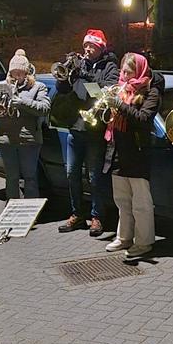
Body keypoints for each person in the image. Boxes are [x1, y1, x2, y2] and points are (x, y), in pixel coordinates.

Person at [54, 28, 120, 236]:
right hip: (76, 127)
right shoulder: (78, 64)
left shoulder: (110, 66)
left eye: (92, 46)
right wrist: (64, 77)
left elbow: (109, 89)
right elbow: (62, 90)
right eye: (86, 46)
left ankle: (97, 216)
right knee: (71, 173)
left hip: (95, 129)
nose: (88, 49)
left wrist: (87, 75)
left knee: (94, 177)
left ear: (100, 48)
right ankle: (77, 214)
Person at [102, 52, 162, 260]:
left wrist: (120, 105)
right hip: (118, 150)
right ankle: (124, 237)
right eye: (123, 71)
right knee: (122, 200)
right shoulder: (120, 90)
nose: (124, 75)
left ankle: (144, 242)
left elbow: (143, 119)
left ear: (139, 71)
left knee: (141, 203)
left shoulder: (150, 93)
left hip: (137, 152)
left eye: (129, 72)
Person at [0, 49, 51, 199]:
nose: (17, 76)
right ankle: (11, 210)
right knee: (11, 177)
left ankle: (31, 212)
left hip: (29, 139)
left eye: (21, 72)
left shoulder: (38, 87)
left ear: (27, 72)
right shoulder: (2, 85)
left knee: (30, 178)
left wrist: (23, 103)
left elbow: (44, 108)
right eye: (14, 73)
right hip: (7, 138)